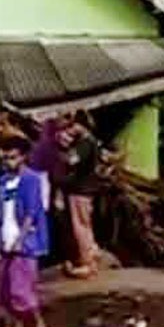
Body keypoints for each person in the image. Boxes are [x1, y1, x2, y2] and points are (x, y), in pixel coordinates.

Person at [0, 137, 50, 327]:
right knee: (7, 290)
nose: (9, 161)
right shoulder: (3, 181)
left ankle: (36, 323)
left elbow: (32, 211)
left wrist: (21, 238)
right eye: (6, 158)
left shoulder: (31, 180)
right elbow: (1, 211)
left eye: (13, 157)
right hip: (6, 237)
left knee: (21, 288)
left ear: (23, 157)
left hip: (24, 241)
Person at [61, 111, 100, 278]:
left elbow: (72, 160)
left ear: (80, 125)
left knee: (81, 227)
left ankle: (87, 263)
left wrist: (63, 149)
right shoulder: (90, 141)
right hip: (85, 189)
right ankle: (90, 256)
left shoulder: (85, 143)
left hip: (80, 190)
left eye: (73, 125)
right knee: (85, 224)